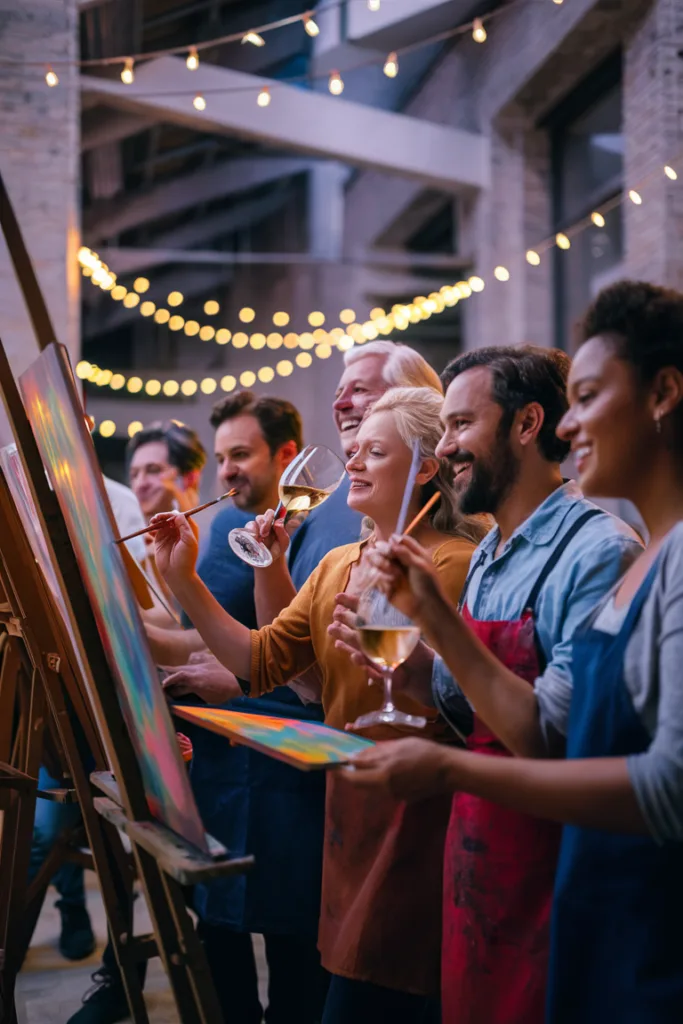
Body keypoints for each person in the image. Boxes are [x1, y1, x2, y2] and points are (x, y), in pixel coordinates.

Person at [348, 282, 683, 1022]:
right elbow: (479, 701)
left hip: (590, 885)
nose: (572, 426)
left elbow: (564, 742)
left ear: (663, 394)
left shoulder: (608, 549)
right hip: (495, 865)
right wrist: (413, 667)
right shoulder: (501, 552)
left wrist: (443, 751)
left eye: (588, 397)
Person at [151, 386, 486, 1024]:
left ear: (426, 468)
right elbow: (258, 662)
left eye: (373, 452)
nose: (353, 462)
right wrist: (181, 577)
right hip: (346, 817)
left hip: (420, 818)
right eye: (352, 450)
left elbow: (464, 700)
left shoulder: (459, 565)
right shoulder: (338, 562)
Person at [127, 419, 206, 520]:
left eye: (153, 470)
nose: (140, 484)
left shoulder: (218, 532)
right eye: (134, 474)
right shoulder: (121, 530)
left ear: (190, 478)